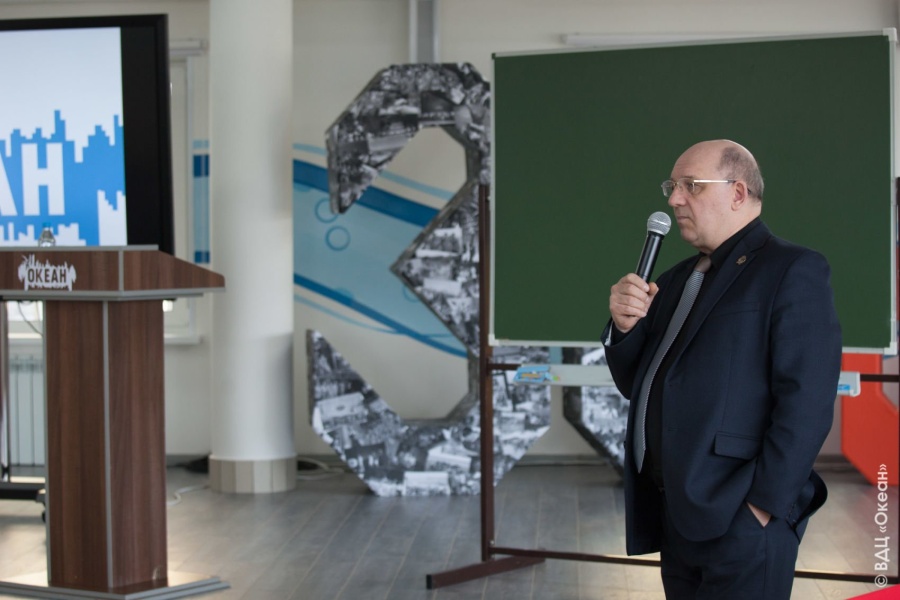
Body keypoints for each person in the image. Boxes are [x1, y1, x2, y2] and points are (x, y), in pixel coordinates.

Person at [602, 139, 842, 599]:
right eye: (672, 187)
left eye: (691, 185)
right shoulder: (674, 281)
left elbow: (806, 402)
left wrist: (762, 507)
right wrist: (624, 328)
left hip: (740, 518)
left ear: (737, 192)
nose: (674, 199)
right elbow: (640, 385)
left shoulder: (792, 269)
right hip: (678, 515)